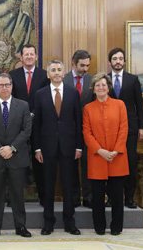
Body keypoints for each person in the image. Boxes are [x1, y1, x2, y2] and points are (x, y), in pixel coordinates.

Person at [33, 60, 82, 236]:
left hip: (69, 147)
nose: (56, 73)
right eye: (52, 70)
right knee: (48, 187)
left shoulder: (73, 93)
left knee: (69, 186)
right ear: (48, 74)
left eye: (59, 70)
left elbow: (78, 121)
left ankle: (70, 222)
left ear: (64, 73)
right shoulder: (40, 94)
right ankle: (48, 223)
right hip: (47, 147)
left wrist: (79, 146)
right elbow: (36, 124)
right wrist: (37, 148)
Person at [0, 73, 32, 238]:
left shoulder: (23, 105)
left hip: (16, 157)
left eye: (7, 85)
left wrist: (12, 148)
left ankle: (21, 226)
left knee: (18, 194)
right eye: (1, 85)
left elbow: (26, 130)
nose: (4, 88)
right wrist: (0, 149)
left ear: (12, 86)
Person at [83, 73, 129, 236]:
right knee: (97, 196)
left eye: (103, 85)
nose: (101, 88)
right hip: (97, 157)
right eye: (97, 85)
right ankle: (99, 226)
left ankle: (116, 226)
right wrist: (100, 151)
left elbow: (124, 129)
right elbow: (87, 133)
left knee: (117, 196)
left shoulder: (120, 105)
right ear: (93, 89)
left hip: (118, 157)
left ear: (108, 87)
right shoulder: (88, 108)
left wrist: (115, 150)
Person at [10, 44, 49, 206]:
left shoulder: (44, 75)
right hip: (17, 127)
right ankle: (14, 198)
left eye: (31, 54)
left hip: (39, 125)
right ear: (21, 57)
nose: (29, 57)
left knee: (40, 162)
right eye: (26, 55)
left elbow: (47, 99)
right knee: (16, 163)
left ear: (36, 56)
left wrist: (33, 114)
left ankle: (43, 196)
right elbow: (10, 99)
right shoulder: (13, 75)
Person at [106, 48, 143, 209]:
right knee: (110, 163)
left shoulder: (132, 80)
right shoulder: (104, 79)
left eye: (120, 58)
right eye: (115, 59)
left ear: (124, 61)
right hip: (109, 129)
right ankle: (112, 198)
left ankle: (129, 198)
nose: (118, 61)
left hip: (130, 129)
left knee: (130, 162)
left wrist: (142, 127)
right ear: (110, 62)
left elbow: (140, 105)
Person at [63, 50, 94, 208]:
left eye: (87, 65)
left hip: (88, 130)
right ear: (73, 63)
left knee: (88, 163)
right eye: (82, 65)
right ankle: (74, 197)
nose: (85, 69)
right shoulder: (64, 80)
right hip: (69, 130)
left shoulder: (93, 80)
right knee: (71, 164)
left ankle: (88, 196)